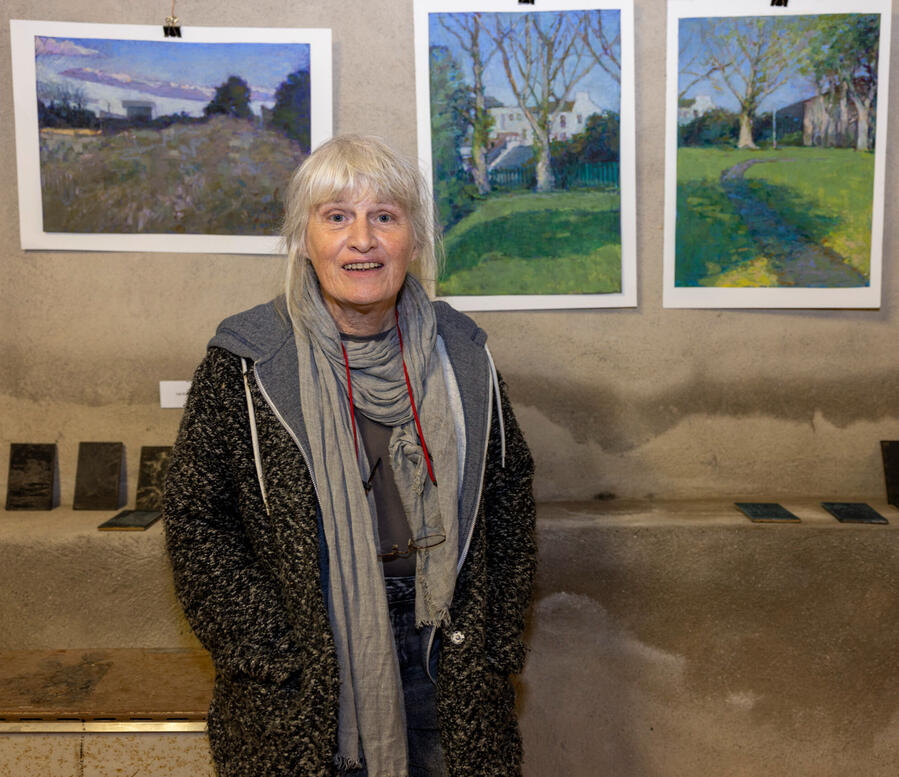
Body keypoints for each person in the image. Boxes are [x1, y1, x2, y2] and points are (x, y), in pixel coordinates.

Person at [164, 134, 536, 777]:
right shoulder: (247, 363)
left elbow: (509, 493)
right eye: (336, 216)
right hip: (308, 665)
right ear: (304, 238)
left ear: (414, 240)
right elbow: (197, 518)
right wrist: (270, 649)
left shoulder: (463, 355)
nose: (361, 240)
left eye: (384, 217)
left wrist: (495, 640)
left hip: (447, 656)